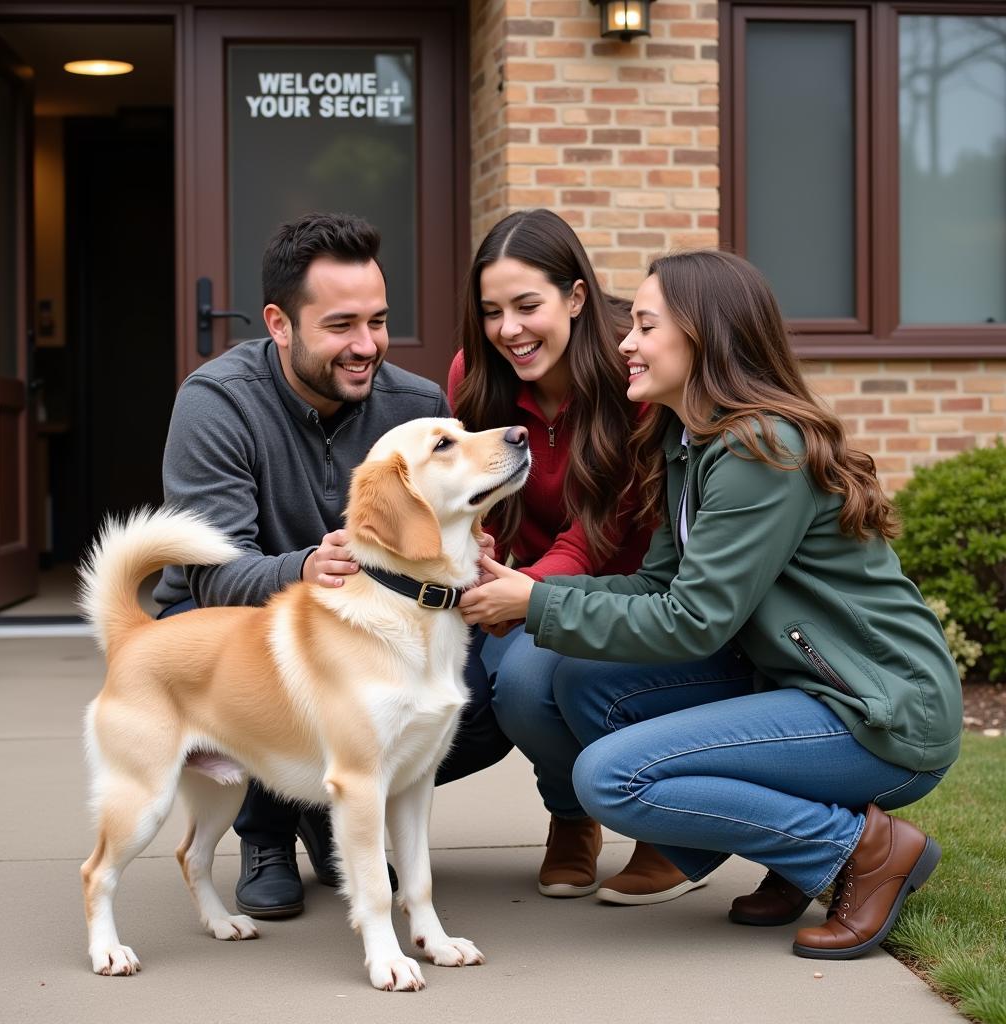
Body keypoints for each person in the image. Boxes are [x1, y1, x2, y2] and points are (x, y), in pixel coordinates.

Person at [459, 249, 962, 959]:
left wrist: (536, 607)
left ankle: (861, 850)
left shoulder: (760, 450)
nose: (625, 344)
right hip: (800, 685)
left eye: (644, 325)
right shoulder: (689, 442)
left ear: (705, 335)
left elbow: (693, 620)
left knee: (611, 777)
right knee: (579, 682)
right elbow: (659, 589)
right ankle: (792, 857)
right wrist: (533, 592)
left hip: (878, 711)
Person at [153, 211, 512, 920]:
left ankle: (336, 801)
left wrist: (468, 551)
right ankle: (268, 832)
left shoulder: (417, 408)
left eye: (377, 322)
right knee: (268, 662)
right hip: (227, 623)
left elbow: (449, 527)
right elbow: (212, 572)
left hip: (374, 624)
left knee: (483, 692)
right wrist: (311, 564)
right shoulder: (216, 403)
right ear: (280, 324)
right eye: (341, 325)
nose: (366, 345)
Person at [450, 209, 711, 906]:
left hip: (628, 585)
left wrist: (525, 594)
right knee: (513, 692)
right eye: (492, 311)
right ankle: (572, 817)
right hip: (523, 581)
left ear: (574, 297)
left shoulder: (632, 378)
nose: (509, 329)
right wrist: (478, 559)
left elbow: (599, 530)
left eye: (527, 305)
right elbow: (470, 493)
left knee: (534, 675)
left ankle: (659, 826)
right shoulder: (477, 376)